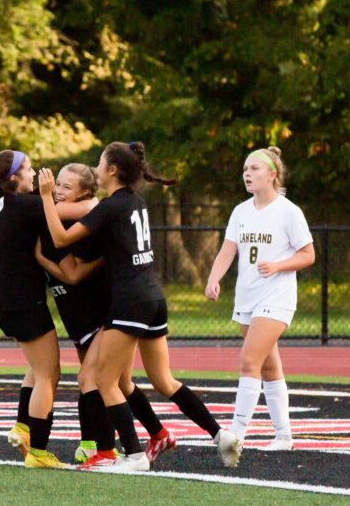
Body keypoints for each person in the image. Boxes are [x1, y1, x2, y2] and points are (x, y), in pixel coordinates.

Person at [39, 142, 242, 472]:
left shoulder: (109, 206)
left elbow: (61, 239)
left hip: (130, 301)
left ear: (113, 170)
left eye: (101, 163)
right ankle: (221, 435)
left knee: (104, 380)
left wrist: (47, 195)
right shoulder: (136, 202)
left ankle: (133, 456)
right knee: (163, 380)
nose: (97, 168)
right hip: (153, 297)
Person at [33, 163, 175, 466]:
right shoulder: (71, 208)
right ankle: (154, 432)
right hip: (84, 312)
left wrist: (41, 256)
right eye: (56, 184)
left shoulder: (92, 207)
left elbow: (71, 272)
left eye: (65, 187)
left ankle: (107, 450)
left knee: (95, 379)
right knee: (118, 382)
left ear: (85, 191)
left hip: (106, 309)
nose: (57, 190)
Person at [205, 147, 314, 452]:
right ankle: (284, 436)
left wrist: (279, 265)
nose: (248, 174)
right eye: (245, 169)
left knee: (249, 360)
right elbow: (228, 250)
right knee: (268, 367)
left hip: (276, 297)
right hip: (247, 297)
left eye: (254, 168)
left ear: (272, 174)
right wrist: (214, 279)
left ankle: (235, 435)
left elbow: (308, 254)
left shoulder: (288, 211)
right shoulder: (241, 211)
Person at [0, 150, 84, 469]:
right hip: (21, 302)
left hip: (1, 302)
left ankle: (23, 427)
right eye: (28, 169)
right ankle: (39, 451)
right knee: (49, 373)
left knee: (37, 366)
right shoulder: (25, 205)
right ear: (14, 179)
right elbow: (71, 211)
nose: (34, 173)